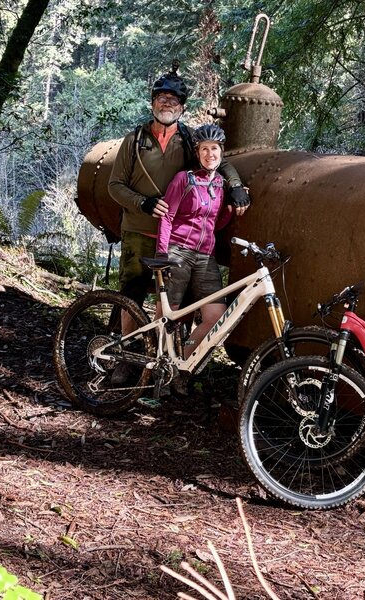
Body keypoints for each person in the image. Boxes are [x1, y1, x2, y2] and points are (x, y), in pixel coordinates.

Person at [107, 68, 251, 385]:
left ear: (182, 107)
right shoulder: (135, 141)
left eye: (173, 99)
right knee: (131, 294)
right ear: (152, 103)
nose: (166, 103)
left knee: (178, 305)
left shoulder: (188, 139)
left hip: (177, 241)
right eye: (161, 98)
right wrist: (142, 203)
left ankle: (172, 366)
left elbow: (216, 160)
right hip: (139, 230)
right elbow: (114, 186)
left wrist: (236, 185)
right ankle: (126, 358)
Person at [155, 124, 246, 377]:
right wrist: (163, 254)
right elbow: (167, 216)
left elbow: (215, 223)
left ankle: (182, 361)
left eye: (214, 148)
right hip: (178, 251)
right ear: (197, 153)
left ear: (221, 151)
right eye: (204, 149)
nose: (210, 154)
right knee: (168, 314)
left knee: (216, 316)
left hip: (206, 256)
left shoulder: (219, 184)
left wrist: (230, 209)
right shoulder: (184, 179)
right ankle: (159, 367)